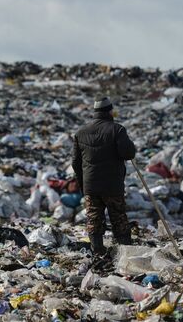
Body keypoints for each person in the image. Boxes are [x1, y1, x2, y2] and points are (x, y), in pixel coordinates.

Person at [72, 97, 136, 255]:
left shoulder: (80, 133)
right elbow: (128, 154)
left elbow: (75, 163)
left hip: (91, 186)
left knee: (93, 219)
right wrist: (130, 145)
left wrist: (84, 185)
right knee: (118, 218)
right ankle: (125, 253)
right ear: (110, 111)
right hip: (112, 185)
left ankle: (98, 253)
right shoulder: (117, 129)